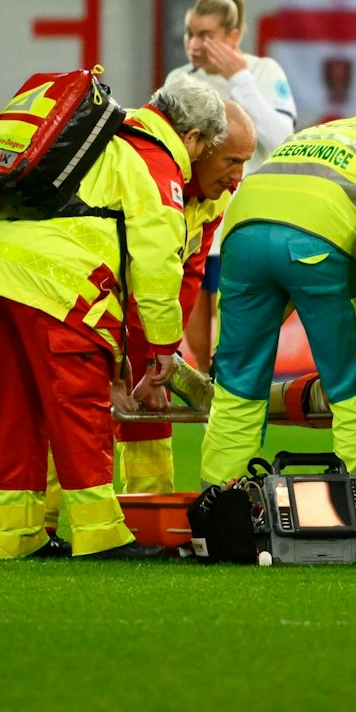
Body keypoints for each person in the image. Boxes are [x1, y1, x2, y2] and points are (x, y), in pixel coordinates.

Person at [0, 80, 226, 560]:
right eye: (207, 148)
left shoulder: (106, 137)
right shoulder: (155, 161)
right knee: (78, 412)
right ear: (191, 138)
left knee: (14, 414)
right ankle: (100, 533)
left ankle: (16, 536)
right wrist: (164, 350)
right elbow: (156, 266)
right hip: (58, 285)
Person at [202, 68, 356, 485]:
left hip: (241, 232)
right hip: (319, 238)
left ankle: (220, 505)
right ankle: (353, 505)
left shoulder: (323, 131)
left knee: (237, 384)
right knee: (352, 382)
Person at [113, 102, 256, 498]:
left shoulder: (214, 200)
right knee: (81, 406)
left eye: (245, 163)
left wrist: (161, 355)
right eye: (231, 160)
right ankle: (49, 527)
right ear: (198, 147)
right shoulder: (145, 174)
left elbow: (188, 275)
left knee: (151, 408)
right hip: (93, 305)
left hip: (144, 309)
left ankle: (147, 509)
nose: (238, 179)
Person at [167, 0, 295, 170]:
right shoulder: (179, 77)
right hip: (193, 197)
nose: (193, 45)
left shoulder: (264, 70)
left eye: (205, 36)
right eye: (190, 33)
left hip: (248, 193)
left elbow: (283, 143)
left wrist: (241, 80)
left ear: (232, 37)